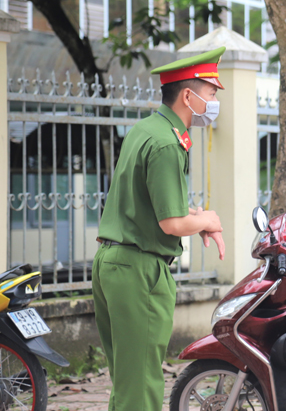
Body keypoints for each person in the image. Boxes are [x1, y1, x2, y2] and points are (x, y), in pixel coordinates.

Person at [93, 47, 227, 411]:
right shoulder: (168, 143)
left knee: (127, 380)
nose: (214, 102)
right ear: (189, 95)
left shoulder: (146, 129)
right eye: (212, 93)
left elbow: (148, 202)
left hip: (113, 262)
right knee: (142, 386)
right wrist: (207, 220)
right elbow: (171, 224)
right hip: (140, 270)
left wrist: (192, 217)